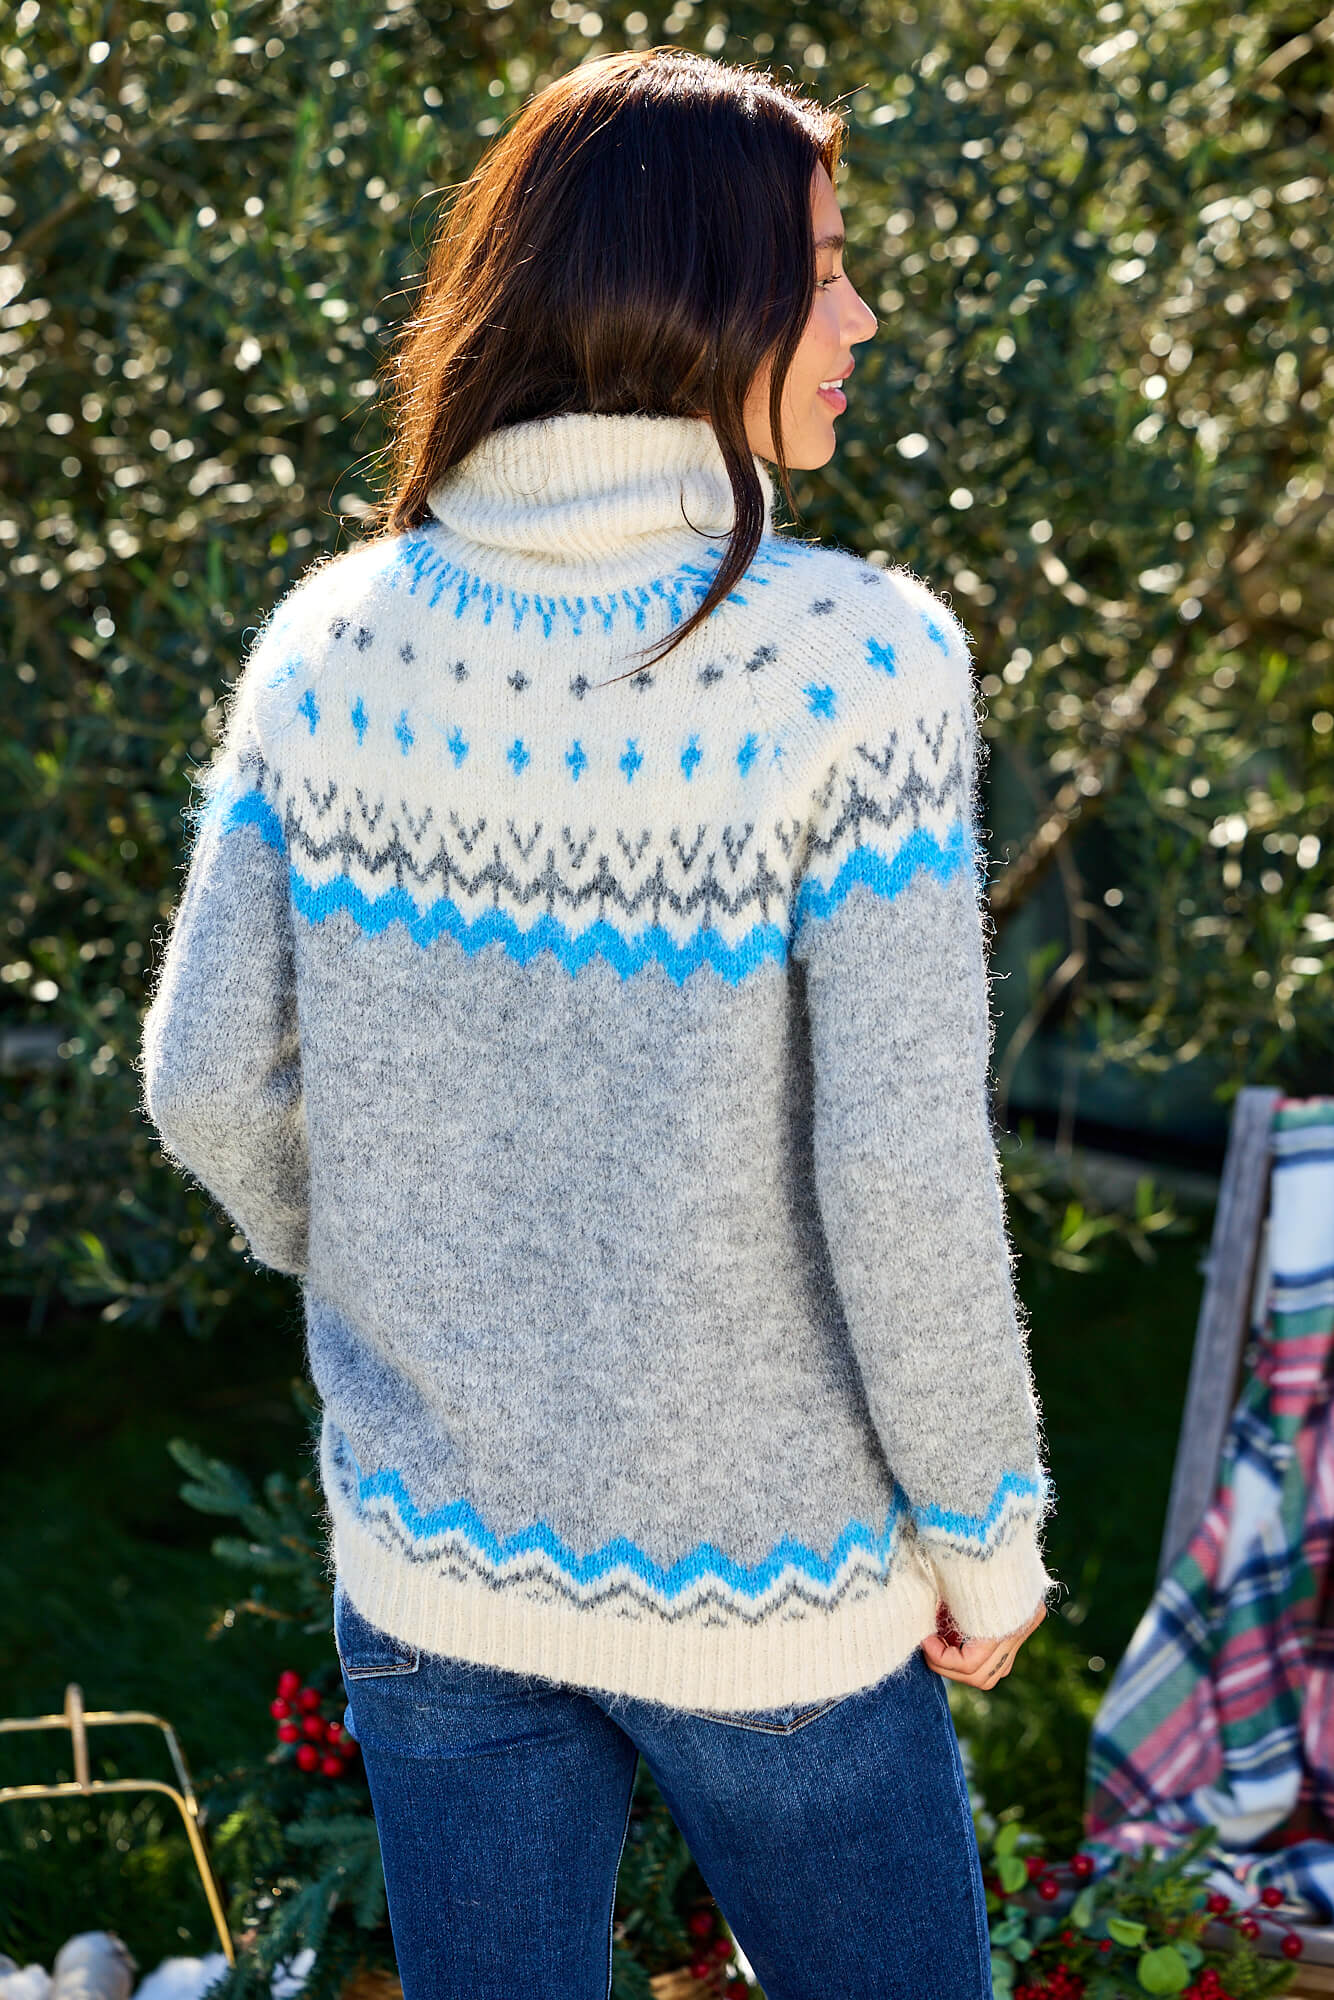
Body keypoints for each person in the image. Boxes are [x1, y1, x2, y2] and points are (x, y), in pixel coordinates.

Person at [138, 44, 1059, 2000]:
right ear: (696, 286)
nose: (858, 311)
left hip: (438, 1551)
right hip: (772, 1574)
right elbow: (892, 1168)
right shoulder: (849, 665)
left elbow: (205, 1075)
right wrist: (985, 1532)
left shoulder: (335, 640)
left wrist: (417, 1258)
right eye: (819, 264)